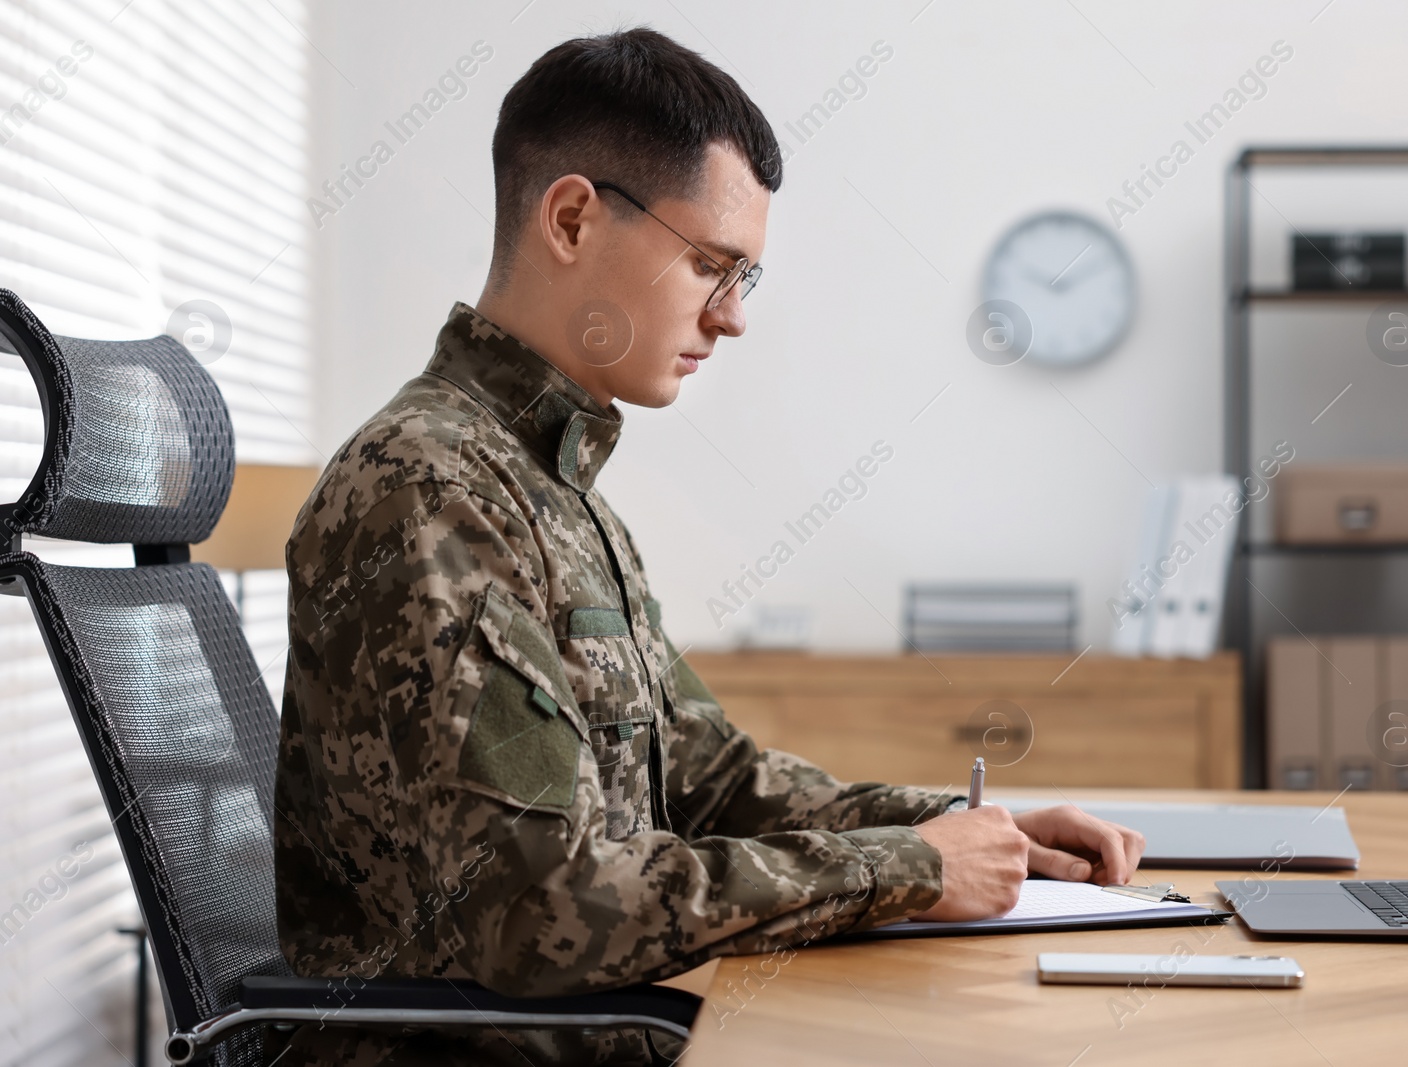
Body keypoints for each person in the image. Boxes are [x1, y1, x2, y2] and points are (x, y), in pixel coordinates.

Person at [270, 26, 1144, 1066]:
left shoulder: (549, 485)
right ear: (572, 218)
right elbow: (540, 903)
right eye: (709, 265)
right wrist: (905, 865)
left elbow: (713, 781)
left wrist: (970, 827)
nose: (731, 319)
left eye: (746, 279)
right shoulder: (432, 490)